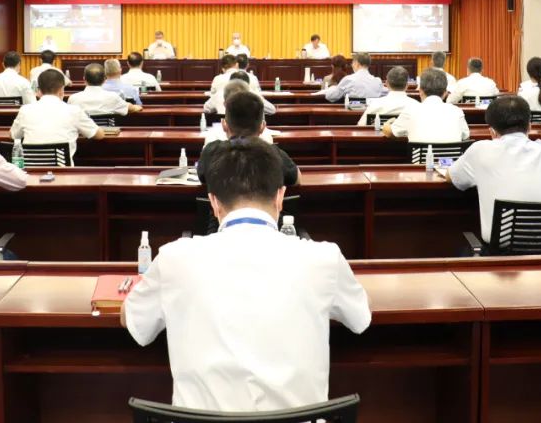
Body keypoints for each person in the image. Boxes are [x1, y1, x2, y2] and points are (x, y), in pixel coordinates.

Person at [122, 137, 371, 411]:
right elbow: (359, 318)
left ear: (213, 203)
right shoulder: (325, 258)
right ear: (280, 197)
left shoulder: (173, 258)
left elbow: (133, 320)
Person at [447, 95, 541, 242]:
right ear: (529, 126)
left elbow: (452, 176)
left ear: (492, 132)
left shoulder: (480, 150)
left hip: (502, 249)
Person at [198, 91, 299, 187]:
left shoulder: (211, 153)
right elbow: (297, 180)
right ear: (262, 127)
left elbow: (203, 178)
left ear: (224, 125)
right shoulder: (276, 155)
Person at [10, 69, 104, 163]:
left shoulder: (25, 110)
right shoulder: (74, 111)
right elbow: (99, 135)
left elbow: (13, 135)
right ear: (61, 90)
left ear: (39, 90)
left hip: (30, 169)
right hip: (62, 170)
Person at [383, 68, 469, 142]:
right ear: (445, 93)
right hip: (451, 157)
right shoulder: (457, 111)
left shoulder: (411, 111)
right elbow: (466, 135)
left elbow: (390, 132)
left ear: (420, 91)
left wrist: (387, 124)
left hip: (420, 157)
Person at [68, 63, 142, 116]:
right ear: (104, 80)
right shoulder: (112, 97)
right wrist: (136, 106)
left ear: (84, 79)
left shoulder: (73, 99)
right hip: (108, 132)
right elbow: (131, 108)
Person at [321, 52, 387, 102]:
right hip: (371, 114)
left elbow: (331, 96)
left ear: (357, 64)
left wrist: (332, 88)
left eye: (352, 63)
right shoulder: (377, 81)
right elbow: (388, 93)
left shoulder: (348, 80)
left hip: (353, 115)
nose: (352, 65)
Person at [204, 73, 276, 116]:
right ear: (248, 84)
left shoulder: (219, 94)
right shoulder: (255, 95)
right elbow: (272, 110)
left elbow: (206, 109)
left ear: (230, 82)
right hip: (250, 130)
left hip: (223, 129)